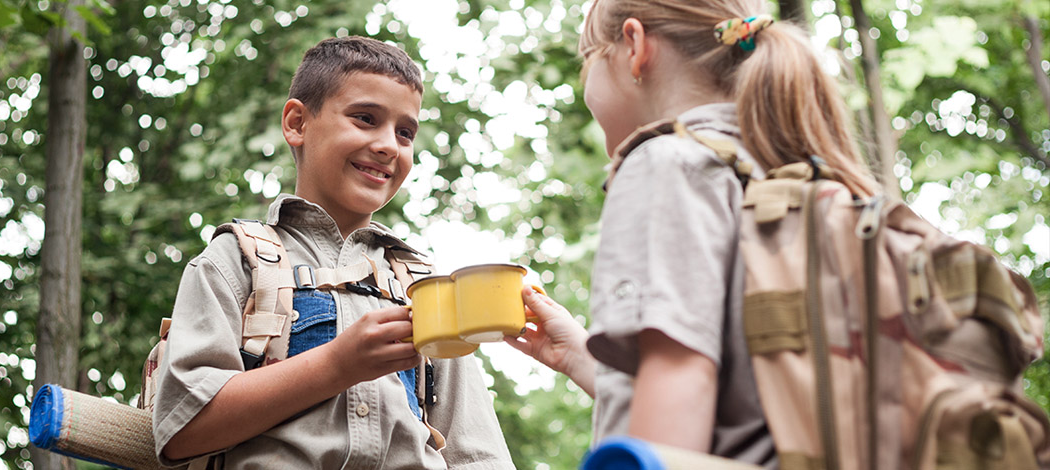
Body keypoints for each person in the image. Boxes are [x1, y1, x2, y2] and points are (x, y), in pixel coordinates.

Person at [505, 0, 878, 467]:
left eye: (589, 61)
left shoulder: (667, 164)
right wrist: (580, 357)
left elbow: (675, 419)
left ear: (634, 47)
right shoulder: (791, 178)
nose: (586, 85)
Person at [153, 36, 514, 469]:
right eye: (365, 119)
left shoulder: (424, 286)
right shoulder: (235, 261)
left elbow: (478, 454)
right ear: (297, 124)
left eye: (405, 132)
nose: (389, 145)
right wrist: (337, 365)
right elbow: (180, 429)